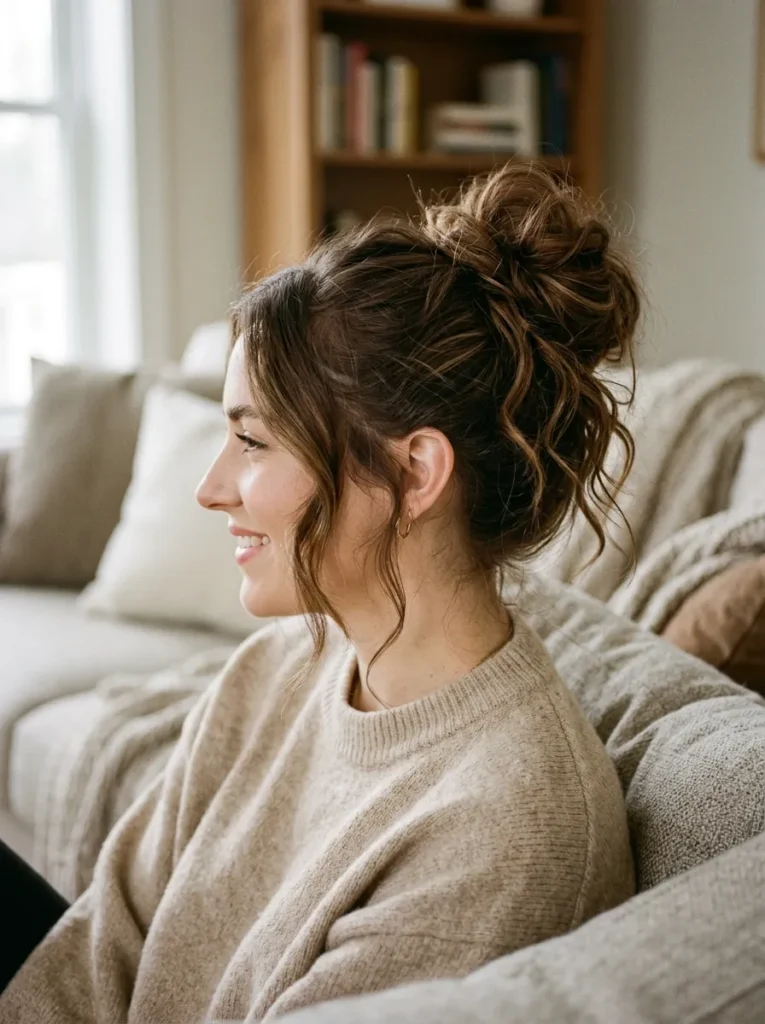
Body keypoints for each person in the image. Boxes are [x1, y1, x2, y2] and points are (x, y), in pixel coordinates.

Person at [0, 162, 641, 1023]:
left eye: (253, 441)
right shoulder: (268, 673)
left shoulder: (508, 826)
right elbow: (97, 951)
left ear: (413, 472)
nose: (210, 486)